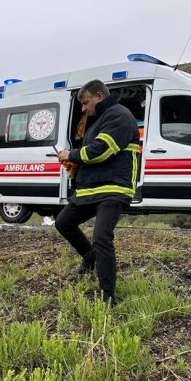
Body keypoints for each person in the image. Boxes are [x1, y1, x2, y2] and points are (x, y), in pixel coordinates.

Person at [56, 80, 140, 305]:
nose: (83, 108)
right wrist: (76, 166)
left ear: (99, 97)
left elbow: (100, 151)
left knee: (102, 238)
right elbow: (90, 155)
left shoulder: (119, 115)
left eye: (85, 103)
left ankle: (107, 296)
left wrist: (71, 155)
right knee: (63, 223)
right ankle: (90, 259)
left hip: (113, 188)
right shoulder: (98, 120)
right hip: (91, 188)